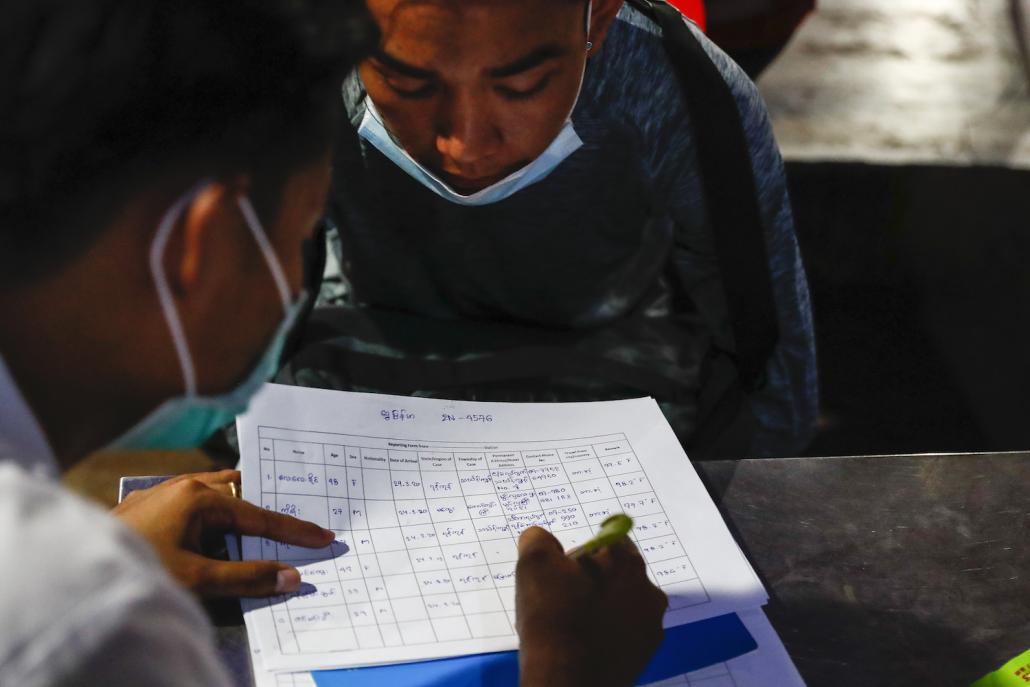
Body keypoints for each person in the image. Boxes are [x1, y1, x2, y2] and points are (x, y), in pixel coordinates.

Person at [0, 1, 666, 685]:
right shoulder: (88, 622)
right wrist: (569, 669)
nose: (465, 144)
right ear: (197, 251)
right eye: (300, 237)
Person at [288, 0, 819, 460]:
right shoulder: (296, 71)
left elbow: (767, 366)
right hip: (365, 373)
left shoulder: (682, 91)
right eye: (408, 81)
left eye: (521, 85)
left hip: (609, 382)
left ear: (601, 17)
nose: (466, 144)